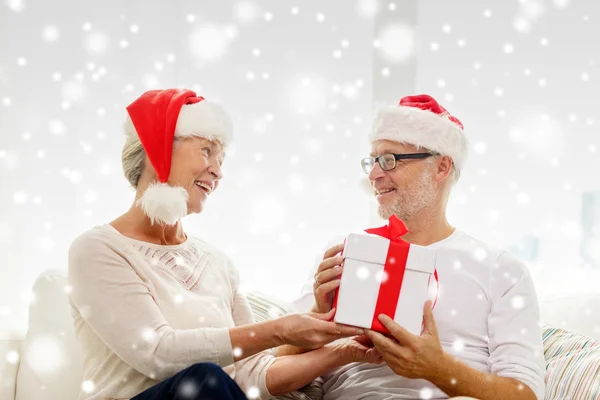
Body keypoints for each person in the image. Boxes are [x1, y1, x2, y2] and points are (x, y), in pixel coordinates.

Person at [67, 88, 382, 400]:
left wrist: (344, 352)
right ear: (157, 148)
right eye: (206, 151)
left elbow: (250, 376)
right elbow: (158, 354)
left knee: (212, 382)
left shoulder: (217, 262)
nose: (217, 171)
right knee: (204, 379)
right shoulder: (97, 249)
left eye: (222, 158)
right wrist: (280, 329)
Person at [287, 94, 546, 399]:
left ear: (441, 167)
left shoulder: (500, 270)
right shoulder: (345, 253)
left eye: (389, 160)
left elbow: (526, 394)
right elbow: (274, 367)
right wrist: (320, 310)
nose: (374, 175)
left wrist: (437, 368)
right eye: (372, 161)